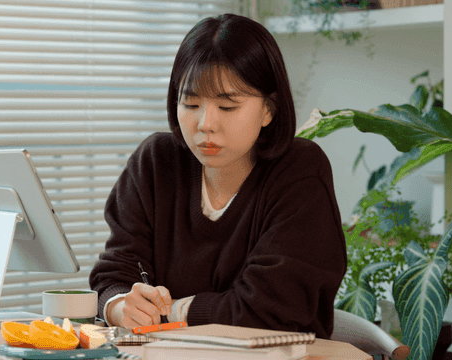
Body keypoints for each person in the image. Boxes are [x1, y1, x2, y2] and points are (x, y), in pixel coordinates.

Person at [89, 13, 347, 339]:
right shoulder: (156, 163)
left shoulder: (300, 173)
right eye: (191, 103)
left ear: (268, 109)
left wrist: (168, 312)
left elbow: (265, 312)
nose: (205, 124)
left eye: (227, 107)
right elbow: (117, 271)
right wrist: (121, 305)